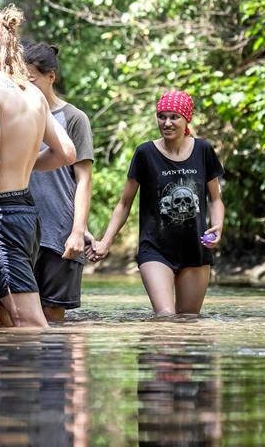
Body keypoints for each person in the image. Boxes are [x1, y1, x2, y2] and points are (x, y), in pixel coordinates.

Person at [0, 5, 76, 329]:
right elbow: (66, 152)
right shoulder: (33, 94)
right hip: (25, 211)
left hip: (1, 216)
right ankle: (13, 381)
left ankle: (59, 377)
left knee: (28, 319)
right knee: (2, 320)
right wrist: (23, 165)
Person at [91, 90, 225, 316]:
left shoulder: (203, 150)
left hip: (196, 248)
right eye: (162, 116)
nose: (167, 122)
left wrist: (218, 225)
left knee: (188, 321)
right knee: (165, 316)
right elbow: (124, 204)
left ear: (186, 119)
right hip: (155, 249)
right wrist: (106, 240)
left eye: (174, 117)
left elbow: (215, 198)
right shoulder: (145, 153)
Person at [23, 42, 95, 323]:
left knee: (53, 318)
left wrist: (78, 231)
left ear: (50, 76)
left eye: (31, 79)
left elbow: (84, 179)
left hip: (59, 231)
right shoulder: (18, 115)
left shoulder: (74, 118)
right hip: (22, 228)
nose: (25, 86)